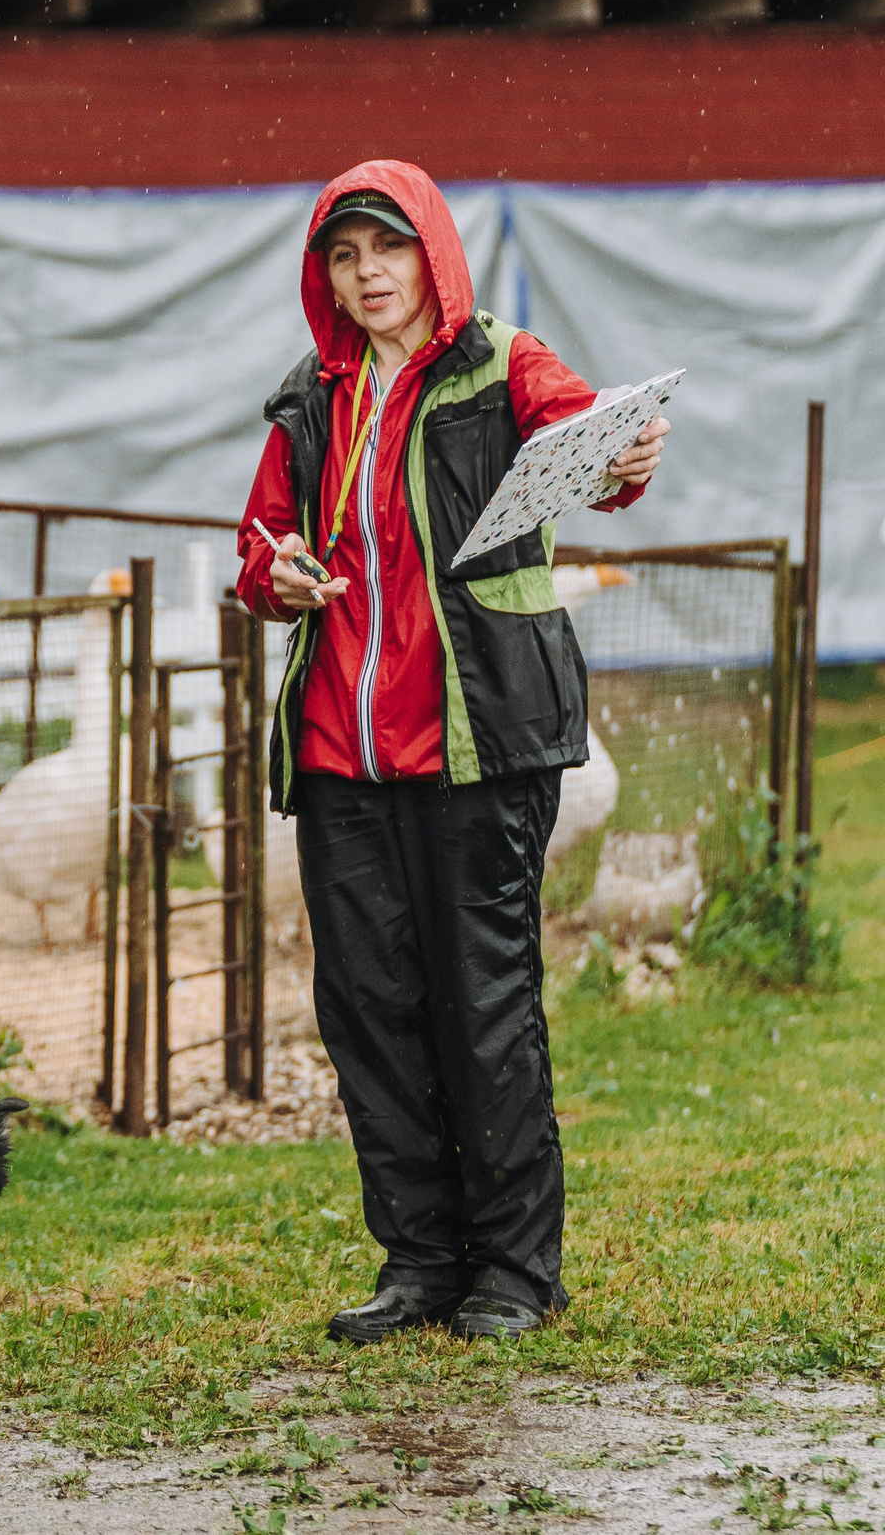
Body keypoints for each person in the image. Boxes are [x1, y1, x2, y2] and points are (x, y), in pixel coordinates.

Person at [236, 161, 669, 1344]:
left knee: (481, 1003)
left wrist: (625, 458)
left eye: (387, 249)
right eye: (343, 256)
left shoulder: (499, 363)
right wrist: (272, 571)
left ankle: (515, 1270)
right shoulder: (312, 398)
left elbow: (591, 440)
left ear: (432, 254)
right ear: (323, 275)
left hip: (478, 741)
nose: (367, 275)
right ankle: (419, 1259)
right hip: (339, 752)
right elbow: (259, 541)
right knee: (369, 1006)